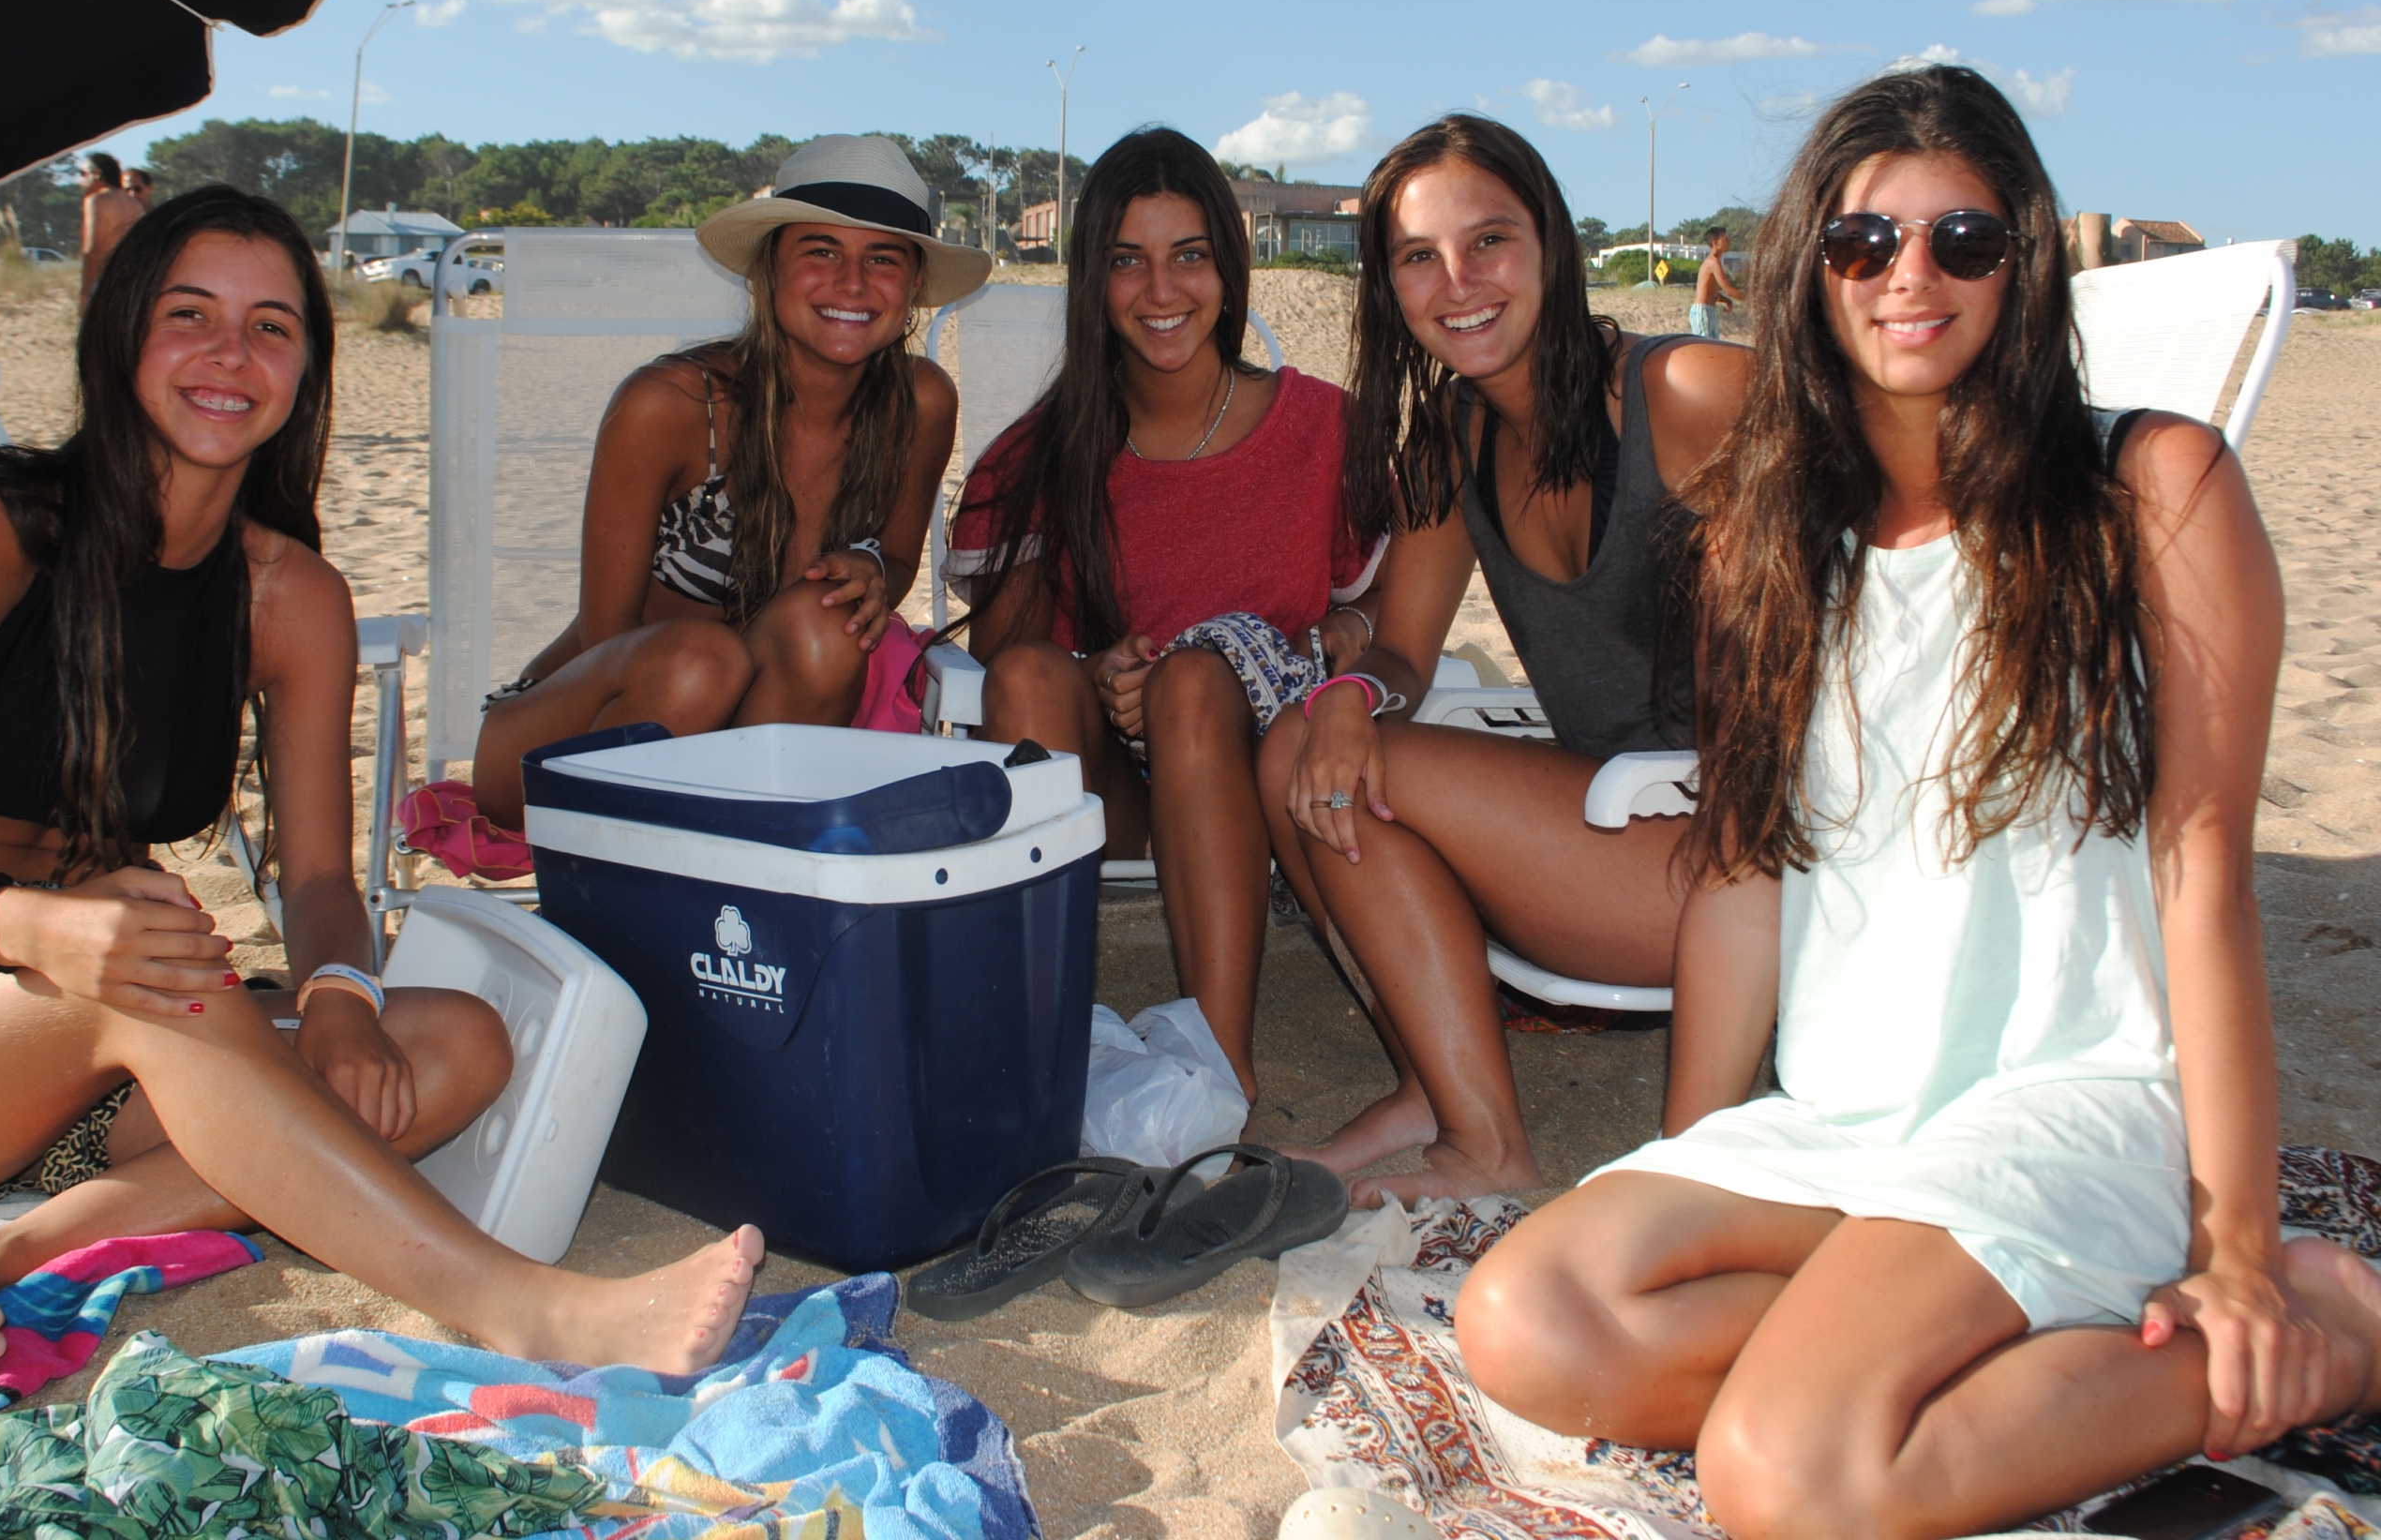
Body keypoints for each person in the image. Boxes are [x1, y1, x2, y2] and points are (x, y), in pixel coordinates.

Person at [1449, 66, 2381, 1537]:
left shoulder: (2150, 488)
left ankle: (2336, 1340)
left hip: (2068, 1091)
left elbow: (2205, 872)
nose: (1908, 279)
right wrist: (1685, 1153)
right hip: (1856, 1105)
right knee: (1532, 1320)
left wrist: (2237, 1244)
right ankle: (1951, 1341)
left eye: (1962, 242)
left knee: (1785, 1476)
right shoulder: (1764, 544)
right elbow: (1748, 870)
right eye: (1865, 245)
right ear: (1812, 272)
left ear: (2023, 261)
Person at [0, 185, 759, 1394]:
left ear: (305, 368)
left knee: (453, 1042)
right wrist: (42, 927)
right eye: (191, 314)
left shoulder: (293, 597)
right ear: (126, 330)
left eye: (272, 326)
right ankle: (516, 1302)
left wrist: (340, 993)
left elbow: (320, 879)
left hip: (74, 1050)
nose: (230, 354)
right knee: (153, 956)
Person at [1261, 114, 1745, 1200]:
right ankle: (1452, 1100)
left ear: (1553, 246)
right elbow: (1401, 650)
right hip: (1612, 829)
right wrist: (1348, 692)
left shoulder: (1683, 393)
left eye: (1490, 241)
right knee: (1305, 746)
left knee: (1327, 750)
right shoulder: (1453, 433)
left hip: (1743, 865)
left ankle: (1472, 1124)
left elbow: (1920, 467)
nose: (1458, 281)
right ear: (1388, 288)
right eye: (1418, 257)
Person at [951, 127, 1382, 1102]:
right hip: (1119, 795)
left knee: (1195, 678)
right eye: (1127, 261)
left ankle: (1221, 1069)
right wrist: (1098, 669)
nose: (1161, 291)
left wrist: (1345, 635)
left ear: (1228, 268)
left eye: (1188, 255)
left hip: (1278, 790)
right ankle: (1030, 1040)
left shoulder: (1320, 429)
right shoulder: (1038, 456)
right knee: (1027, 674)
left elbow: (1394, 604)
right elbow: (1005, 653)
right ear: (1091, 282)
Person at [467, 136, 970, 831]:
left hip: (753, 744)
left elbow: (899, 558)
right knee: (699, 662)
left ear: (912, 284)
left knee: (831, 619)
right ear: (768, 271)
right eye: (820, 251)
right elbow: (607, 637)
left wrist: (871, 565)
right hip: (567, 740)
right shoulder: (671, 407)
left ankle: (738, 871)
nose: (852, 284)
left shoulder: (919, 405)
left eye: (882, 258)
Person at [79, 152, 142, 309]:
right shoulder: (134, 204)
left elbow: (94, 250)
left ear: (97, 174)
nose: (79, 180)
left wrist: (85, 293)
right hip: (133, 281)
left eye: (83, 173)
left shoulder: (97, 200)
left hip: (107, 280)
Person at [1690, 225, 1739, 340]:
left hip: (1709, 311)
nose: (1729, 241)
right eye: (1725, 239)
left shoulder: (1715, 262)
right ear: (1715, 243)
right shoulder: (1713, 263)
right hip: (1702, 311)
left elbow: (1711, 291)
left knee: (1713, 346)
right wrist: (1750, 298)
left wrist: (1726, 300)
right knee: (1706, 349)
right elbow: (1729, 290)